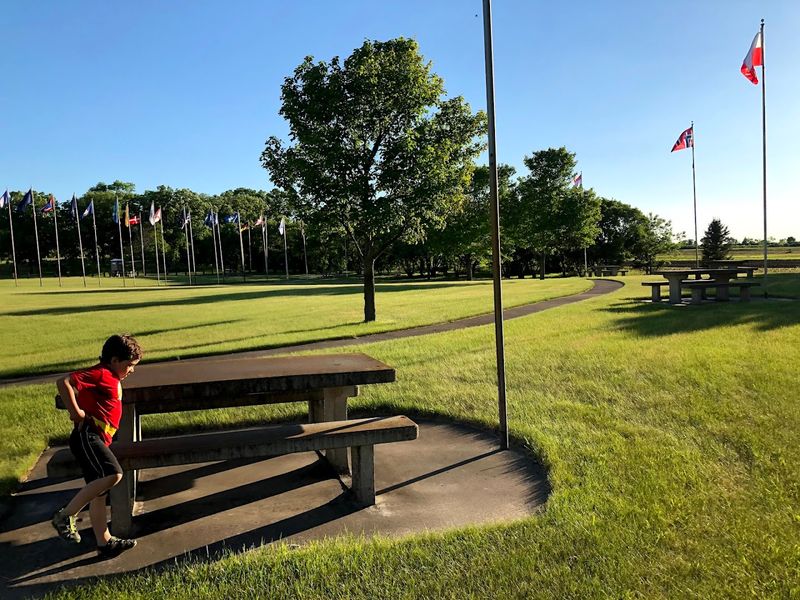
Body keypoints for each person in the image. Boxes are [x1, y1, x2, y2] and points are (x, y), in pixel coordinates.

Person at [51, 334, 142, 559]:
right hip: (88, 436)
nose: (131, 370)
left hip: (97, 438)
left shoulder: (111, 377)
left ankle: (104, 542)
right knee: (114, 474)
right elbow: (64, 382)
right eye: (129, 365)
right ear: (113, 360)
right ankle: (65, 515)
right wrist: (75, 413)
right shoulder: (102, 373)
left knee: (99, 492)